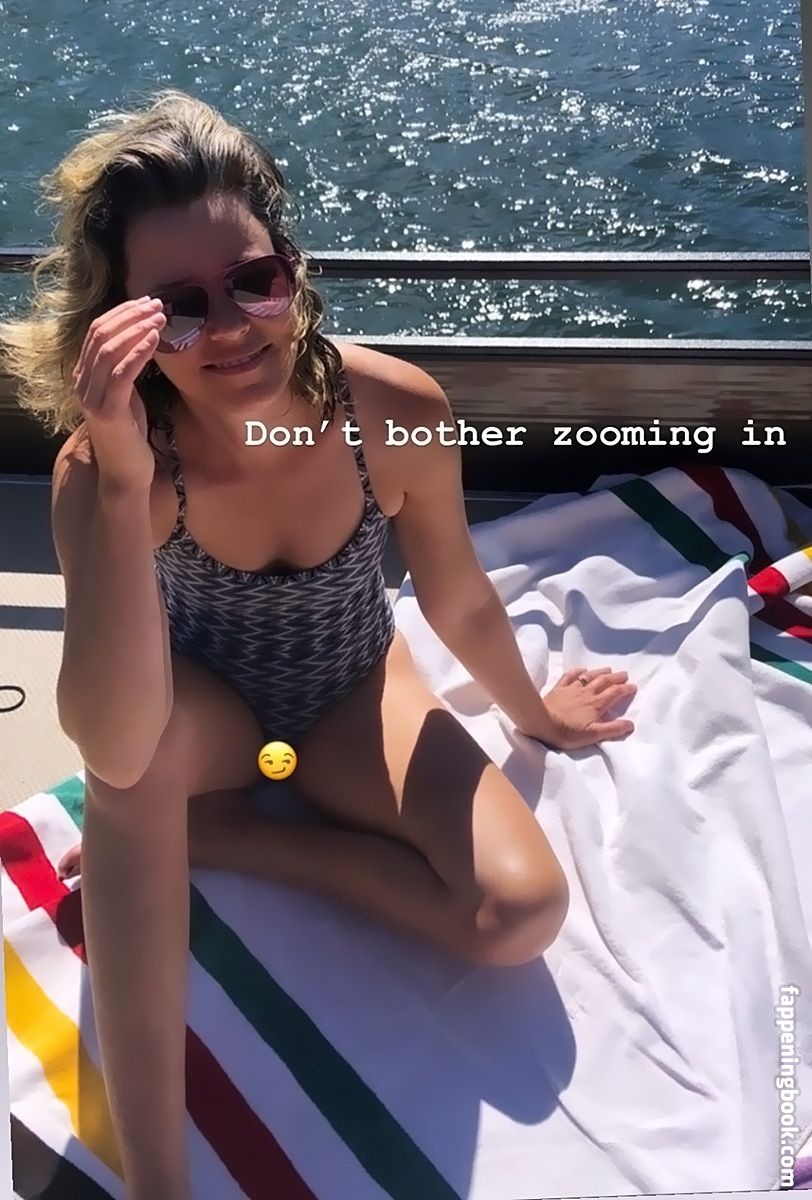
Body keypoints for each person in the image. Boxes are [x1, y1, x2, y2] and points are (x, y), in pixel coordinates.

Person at [0, 89, 636, 1200]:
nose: (230, 325)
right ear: (121, 326)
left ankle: (226, 836)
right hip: (197, 706)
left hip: (350, 690)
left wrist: (535, 714)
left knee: (518, 912)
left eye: (252, 280)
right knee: (134, 780)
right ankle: (158, 1176)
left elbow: (458, 598)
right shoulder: (109, 472)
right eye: (178, 306)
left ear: (291, 270)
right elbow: (110, 739)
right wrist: (122, 481)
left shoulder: (391, 409)